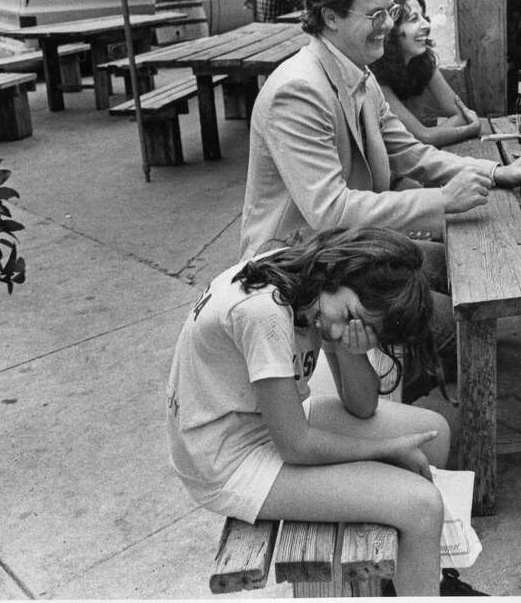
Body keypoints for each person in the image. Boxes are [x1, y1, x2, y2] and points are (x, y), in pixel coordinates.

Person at [241, 0, 521, 397]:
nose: (387, 23)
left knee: (469, 268)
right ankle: (391, 405)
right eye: (375, 14)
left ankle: (413, 386)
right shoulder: (299, 91)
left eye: (392, 11)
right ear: (329, 17)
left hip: (349, 251)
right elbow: (330, 211)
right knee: (449, 324)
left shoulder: (355, 74)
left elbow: (409, 152)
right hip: (303, 268)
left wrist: (495, 172)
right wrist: (442, 201)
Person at [167, 227, 483, 596]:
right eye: (350, 314)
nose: (337, 328)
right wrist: (386, 449)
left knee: (436, 432)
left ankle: (413, 580)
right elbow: (297, 446)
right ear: (338, 273)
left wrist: (350, 345)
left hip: (262, 420)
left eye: (362, 327)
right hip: (226, 459)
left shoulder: (316, 287)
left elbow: (361, 407)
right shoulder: (265, 312)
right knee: (422, 505)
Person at [370, 0, 482, 148]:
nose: (427, 25)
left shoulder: (421, 60)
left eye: (423, 17)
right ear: (392, 30)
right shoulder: (376, 75)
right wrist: (470, 130)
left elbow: (462, 115)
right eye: (414, 19)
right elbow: (423, 137)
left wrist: (436, 134)